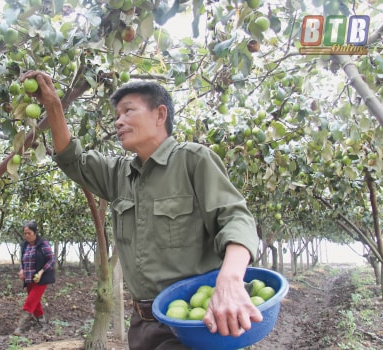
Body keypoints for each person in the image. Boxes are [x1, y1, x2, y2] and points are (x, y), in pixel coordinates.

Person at [19, 71, 263, 350]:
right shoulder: (120, 174)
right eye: (116, 115)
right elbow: (73, 159)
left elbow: (236, 218)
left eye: (128, 111)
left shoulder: (193, 160)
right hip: (143, 325)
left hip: (194, 325)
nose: (118, 121)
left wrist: (230, 280)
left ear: (160, 115)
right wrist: (53, 106)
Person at [14, 220, 56, 335]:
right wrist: (21, 270)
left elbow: (52, 259)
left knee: (30, 301)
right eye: (25, 233)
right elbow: (22, 260)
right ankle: (43, 324)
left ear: (35, 233)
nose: (27, 236)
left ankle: (20, 327)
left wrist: (42, 271)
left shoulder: (43, 245)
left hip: (40, 279)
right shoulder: (24, 245)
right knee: (35, 303)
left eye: (29, 233)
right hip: (29, 279)